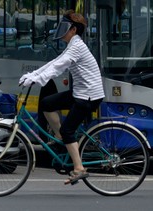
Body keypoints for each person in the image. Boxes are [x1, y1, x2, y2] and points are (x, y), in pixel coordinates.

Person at [19, 10, 105, 185]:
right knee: (46, 104)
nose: (62, 32)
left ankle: (79, 168)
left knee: (68, 130)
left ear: (73, 30)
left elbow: (59, 66)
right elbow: (55, 61)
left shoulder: (77, 47)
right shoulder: (73, 45)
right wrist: (33, 74)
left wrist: (38, 79)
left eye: (65, 28)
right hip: (80, 93)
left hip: (88, 95)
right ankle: (61, 140)